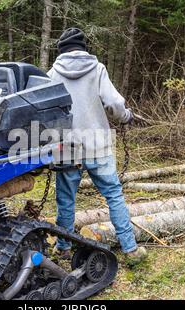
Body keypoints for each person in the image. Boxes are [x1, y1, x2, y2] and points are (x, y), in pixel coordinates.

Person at [47, 27, 147, 263]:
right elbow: (113, 103)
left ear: (61, 50)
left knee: (65, 199)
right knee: (113, 194)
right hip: (97, 143)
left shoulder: (52, 73)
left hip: (66, 146)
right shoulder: (97, 68)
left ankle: (63, 247)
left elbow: (46, 111)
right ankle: (130, 249)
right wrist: (126, 117)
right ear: (83, 48)